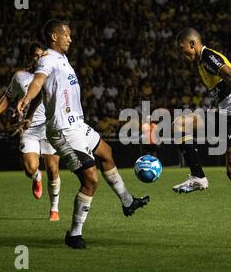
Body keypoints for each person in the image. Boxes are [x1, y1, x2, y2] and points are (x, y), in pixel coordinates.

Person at [17, 19, 149, 249]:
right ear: (54, 37)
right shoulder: (47, 59)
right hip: (63, 130)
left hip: (78, 124)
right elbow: (37, 82)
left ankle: (128, 202)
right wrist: (26, 98)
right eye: (66, 34)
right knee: (90, 180)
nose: (70, 38)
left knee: (107, 152)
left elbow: (44, 91)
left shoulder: (62, 59)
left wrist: (30, 110)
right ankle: (74, 234)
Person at [176, 27, 231, 249]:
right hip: (226, 112)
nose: (182, 54)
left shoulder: (208, 57)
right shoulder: (201, 63)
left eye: (183, 49)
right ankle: (198, 177)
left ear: (193, 44)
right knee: (181, 124)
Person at [0, 42, 61, 221]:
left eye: (41, 56)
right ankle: (36, 177)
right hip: (28, 128)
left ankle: (54, 209)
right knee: (30, 168)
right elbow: (8, 96)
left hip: (50, 127)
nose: (38, 59)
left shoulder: (51, 73)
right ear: (30, 57)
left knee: (53, 169)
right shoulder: (20, 76)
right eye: (35, 56)